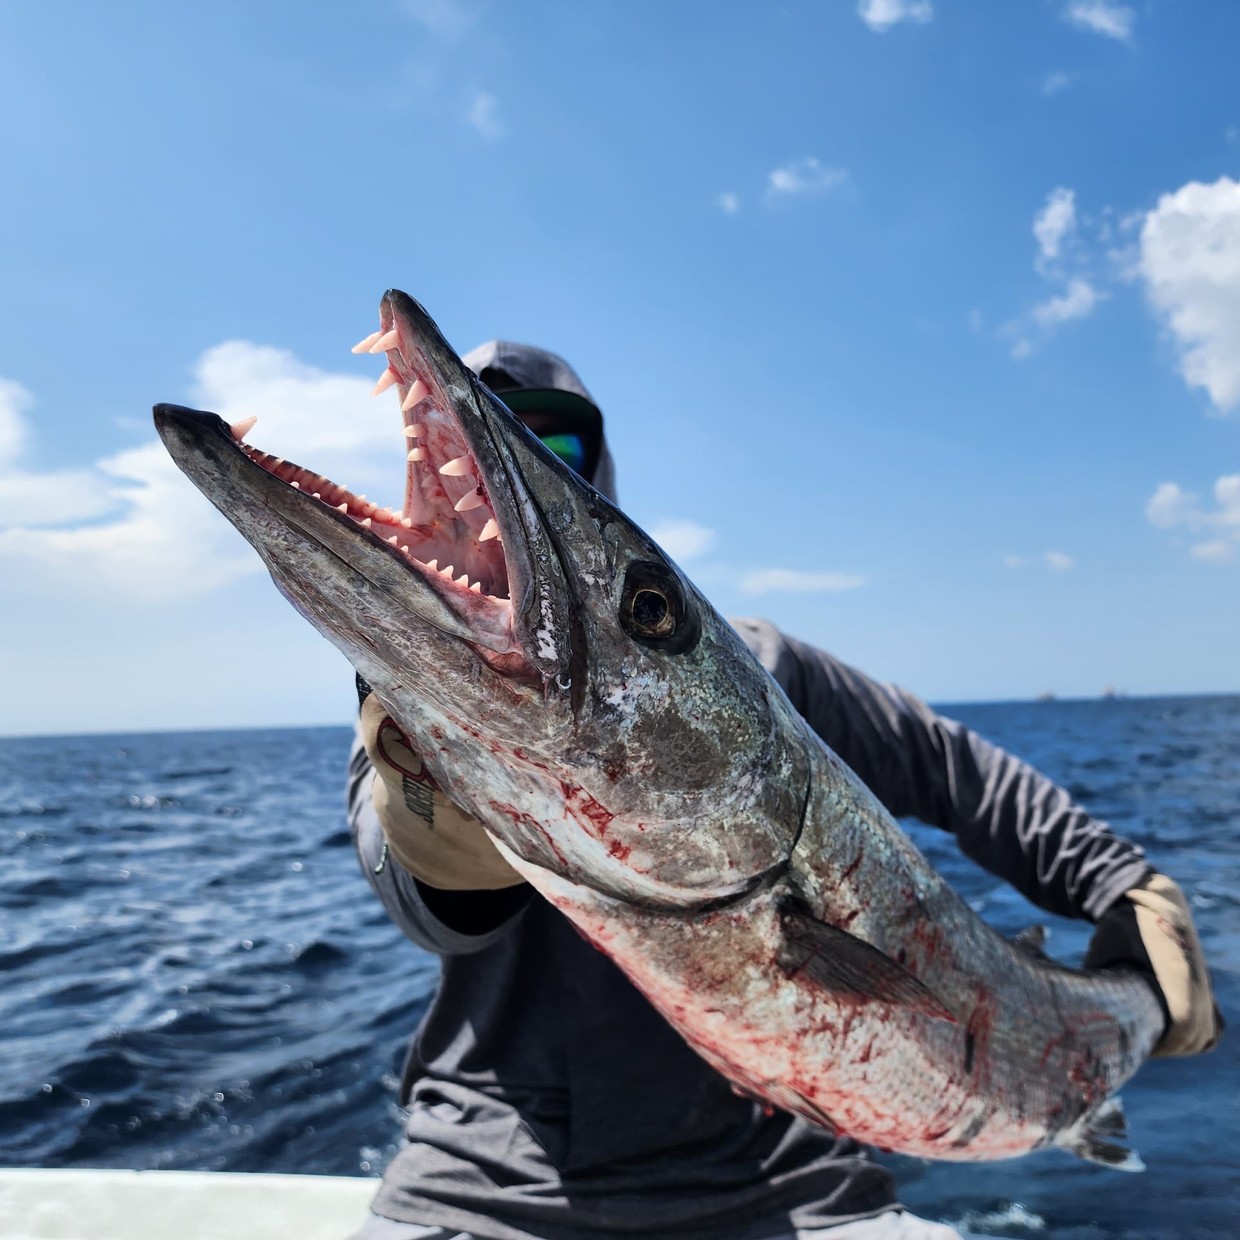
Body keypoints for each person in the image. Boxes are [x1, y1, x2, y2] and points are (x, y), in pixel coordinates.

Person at [346, 342, 1220, 1240]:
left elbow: (958, 771)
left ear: (597, 472)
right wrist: (437, 796)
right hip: (486, 1177)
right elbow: (428, 907)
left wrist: (1127, 885)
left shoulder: (758, 664)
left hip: (792, 1180)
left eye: (550, 445)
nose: (508, 475)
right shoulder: (405, 693)